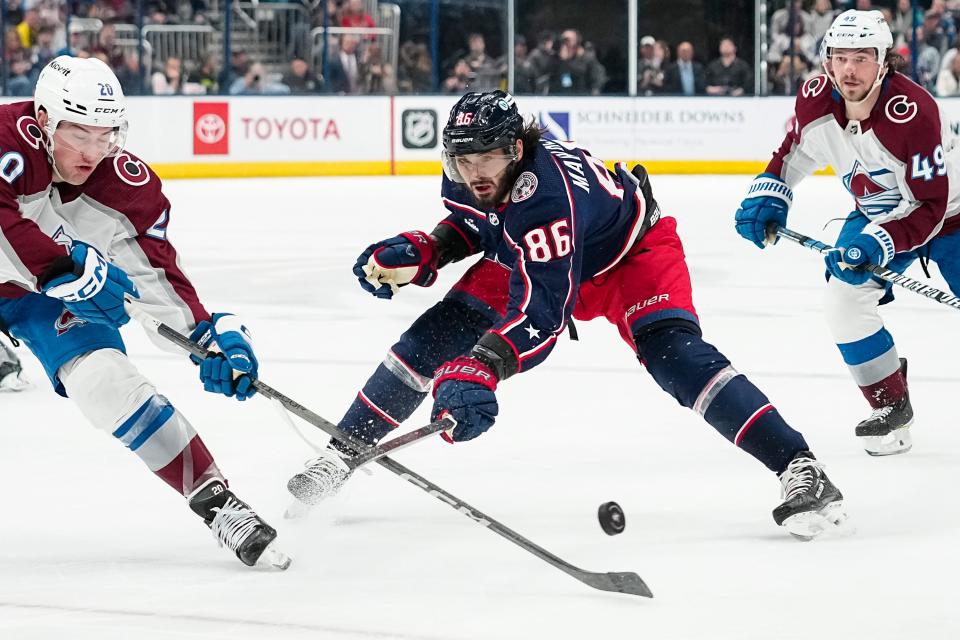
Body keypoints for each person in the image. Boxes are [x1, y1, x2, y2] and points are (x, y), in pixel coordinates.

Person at [287, 90, 849, 540]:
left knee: (677, 358)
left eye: (487, 157)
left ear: (516, 150)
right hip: (541, 257)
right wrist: (431, 248)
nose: (475, 171)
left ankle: (799, 466)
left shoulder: (546, 200)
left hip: (631, 257)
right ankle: (343, 454)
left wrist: (484, 364)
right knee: (431, 337)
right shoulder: (470, 175)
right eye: (463, 159)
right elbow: (478, 222)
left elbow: (542, 315)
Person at [0, 56, 289, 568]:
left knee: (105, 379)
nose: (93, 151)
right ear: (44, 119)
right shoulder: (7, 138)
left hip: (29, 295)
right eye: (78, 134)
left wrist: (206, 335)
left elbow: (153, 275)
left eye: (105, 134)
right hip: (40, 275)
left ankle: (217, 502)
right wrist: (62, 265)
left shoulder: (124, 186)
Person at [734, 10, 960, 457]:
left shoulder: (913, 113)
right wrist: (773, 191)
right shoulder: (816, 99)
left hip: (952, 215)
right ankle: (890, 405)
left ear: (883, 62)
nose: (849, 69)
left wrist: (878, 241)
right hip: (877, 214)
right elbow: (794, 149)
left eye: (862, 57)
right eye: (840, 57)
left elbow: (931, 205)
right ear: (826, 61)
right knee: (843, 299)